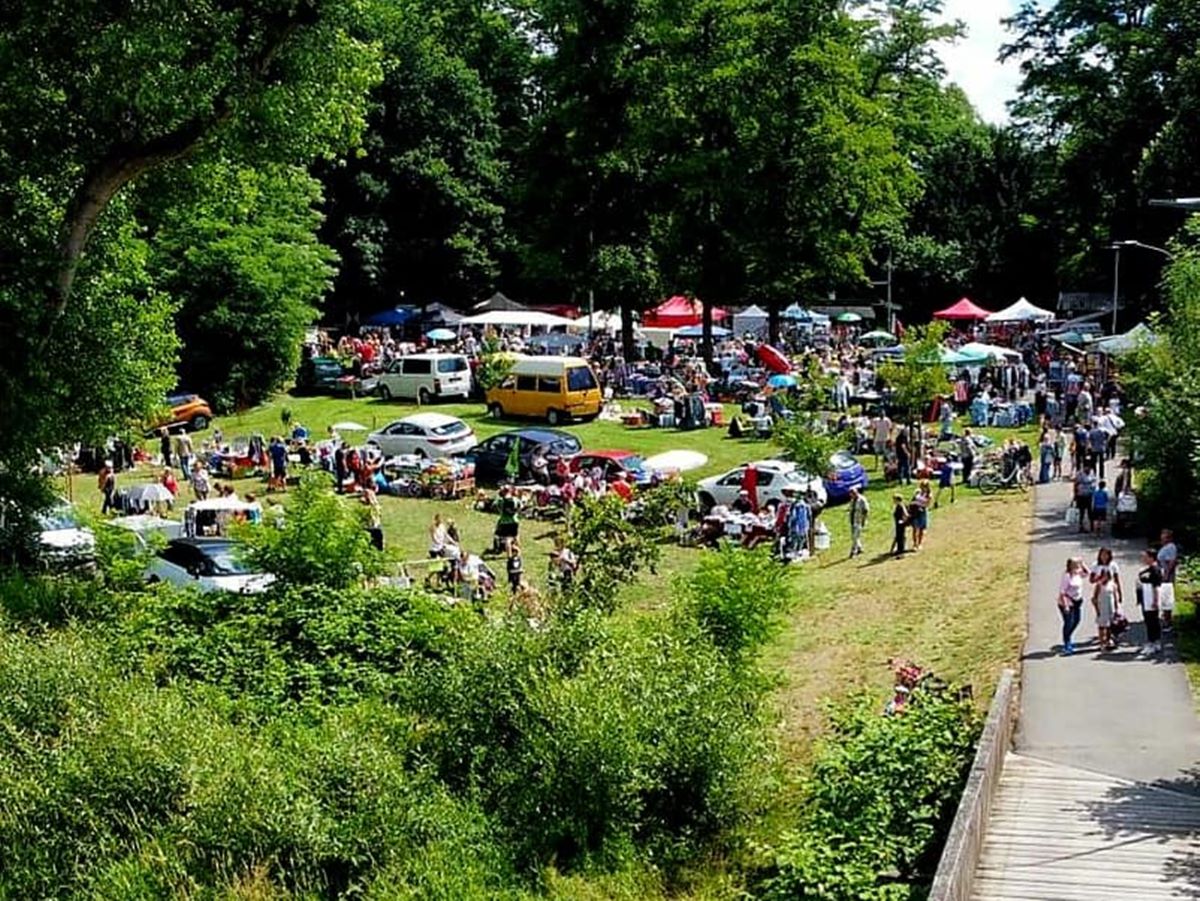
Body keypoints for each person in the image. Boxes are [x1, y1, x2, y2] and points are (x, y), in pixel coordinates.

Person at [1090, 547, 1123, 651]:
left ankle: (1109, 639)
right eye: (1102, 554)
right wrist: (1100, 578)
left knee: (1111, 620)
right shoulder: (1096, 565)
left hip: (1110, 593)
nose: (1104, 557)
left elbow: (1117, 580)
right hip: (1101, 594)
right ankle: (1102, 641)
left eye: (1106, 555)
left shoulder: (1113, 565)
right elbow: (1091, 580)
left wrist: (1120, 594)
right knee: (1102, 621)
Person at [1058, 556, 1089, 655]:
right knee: (1068, 622)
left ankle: (1068, 636)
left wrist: (1083, 563)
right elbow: (1062, 592)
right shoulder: (1067, 576)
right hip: (1067, 601)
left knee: (1077, 620)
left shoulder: (1079, 573)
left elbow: (1088, 573)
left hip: (1077, 601)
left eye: (1077, 564)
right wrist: (1066, 606)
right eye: (1074, 565)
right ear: (1070, 566)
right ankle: (1067, 643)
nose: (1076, 566)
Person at [1137, 547, 1164, 657]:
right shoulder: (1149, 568)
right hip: (1146, 597)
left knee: (1151, 621)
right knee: (1152, 620)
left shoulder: (1155, 569)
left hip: (1150, 599)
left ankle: (1152, 643)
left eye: (1146, 556)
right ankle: (1155, 642)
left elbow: (1156, 586)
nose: (1144, 558)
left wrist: (1156, 600)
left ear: (1151, 557)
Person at [1157, 528, 1179, 630]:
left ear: (1169, 538)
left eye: (1164, 536)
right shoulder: (1165, 547)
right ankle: (1165, 618)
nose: (1162, 537)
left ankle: (1168, 622)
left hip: (1167, 575)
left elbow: (1172, 562)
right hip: (1163, 574)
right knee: (1164, 597)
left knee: (1167, 597)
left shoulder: (1171, 547)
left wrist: (1167, 574)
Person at [494, 485, 520, 554]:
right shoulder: (515, 499)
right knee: (516, 536)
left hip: (504, 521)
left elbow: (495, 505)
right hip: (514, 520)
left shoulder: (501, 500)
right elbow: (520, 507)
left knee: (507, 539)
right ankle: (518, 552)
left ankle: (509, 556)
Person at [1072, 465, 1096, 534]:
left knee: (1090, 511)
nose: (1088, 469)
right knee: (1081, 511)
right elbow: (1075, 484)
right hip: (1081, 495)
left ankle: (1091, 526)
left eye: (1089, 467)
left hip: (1089, 495)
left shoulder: (1092, 473)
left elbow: (1094, 482)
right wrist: (1075, 495)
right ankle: (1081, 527)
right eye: (1087, 467)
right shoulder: (1079, 474)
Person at [847, 485, 869, 558]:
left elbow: (866, 510)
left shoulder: (862, 499)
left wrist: (864, 520)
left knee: (855, 537)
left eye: (852, 494)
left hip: (859, 520)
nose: (851, 495)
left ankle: (853, 551)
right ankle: (860, 548)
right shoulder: (852, 500)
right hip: (853, 520)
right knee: (854, 536)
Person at [910, 480, 932, 550]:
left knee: (921, 529)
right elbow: (912, 500)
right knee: (915, 528)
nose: (923, 488)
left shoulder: (929, 495)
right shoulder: (917, 492)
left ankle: (919, 543)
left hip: (922, 512)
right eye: (922, 486)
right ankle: (914, 544)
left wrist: (917, 503)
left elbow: (927, 504)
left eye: (924, 487)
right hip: (915, 511)